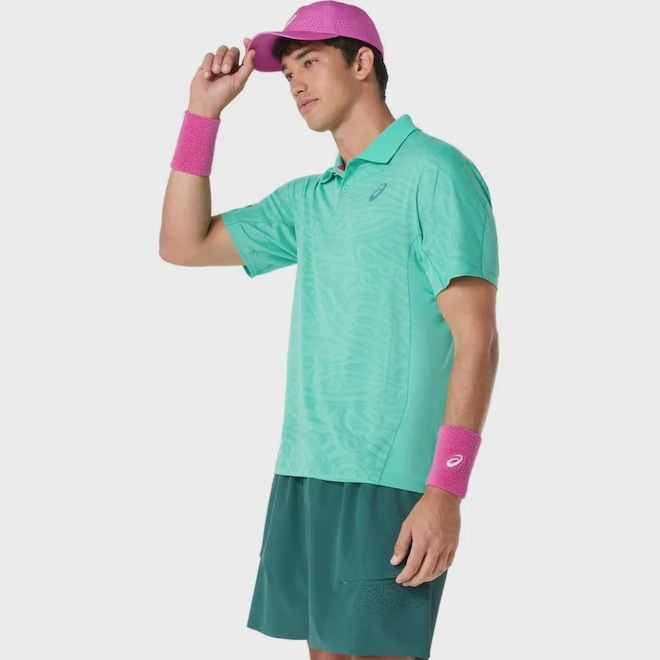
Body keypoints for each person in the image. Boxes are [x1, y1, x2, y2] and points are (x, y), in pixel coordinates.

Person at [159, 1, 499, 658]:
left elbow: (477, 340)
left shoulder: (435, 172)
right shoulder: (311, 200)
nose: (296, 84)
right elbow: (181, 242)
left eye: (310, 62)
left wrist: (446, 489)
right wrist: (202, 115)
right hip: (305, 468)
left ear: (362, 62)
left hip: (389, 480)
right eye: (288, 73)